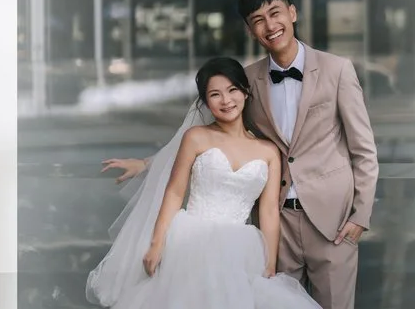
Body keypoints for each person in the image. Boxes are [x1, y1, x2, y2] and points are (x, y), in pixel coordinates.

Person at [87, 57, 321, 309]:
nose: (226, 100)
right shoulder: (196, 137)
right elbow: (175, 192)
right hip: (189, 241)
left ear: (245, 92)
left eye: (232, 90)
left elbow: (269, 211)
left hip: (239, 248)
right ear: (206, 101)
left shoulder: (268, 151)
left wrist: (270, 262)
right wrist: (156, 244)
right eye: (215, 94)